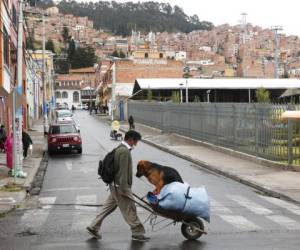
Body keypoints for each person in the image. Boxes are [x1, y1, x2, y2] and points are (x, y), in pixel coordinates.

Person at [86, 130, 150, 242]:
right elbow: (123, 172)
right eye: (135, 142)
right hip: (120, 187)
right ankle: (137, 232)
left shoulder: (120, 148)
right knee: (130, 209)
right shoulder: (124, 152)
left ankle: (93, 227)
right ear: (130, 139)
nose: (135, 145)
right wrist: (125, 190)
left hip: (114, 185)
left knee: (107, 208)